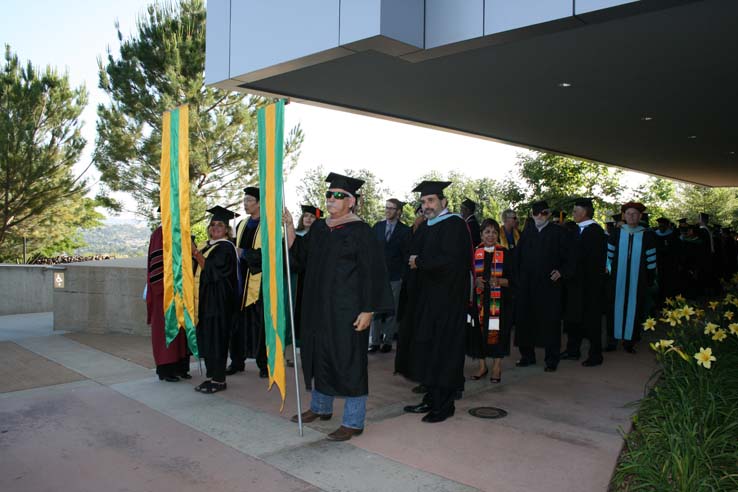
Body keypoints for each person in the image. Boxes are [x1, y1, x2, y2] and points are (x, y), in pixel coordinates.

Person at [285, 172, 394, 441]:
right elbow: (300, 256)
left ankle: (354, 421)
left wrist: (368, 309)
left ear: (351, 201)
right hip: (318, 308)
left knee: (348, 361)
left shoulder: (361, 232)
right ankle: (321, 408)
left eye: (339, 196)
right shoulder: (321, 228)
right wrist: (288, 226)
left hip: (347, 310)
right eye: (329, 195)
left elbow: (373, 273)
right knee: (319, 354)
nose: (332, 199)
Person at [402, 181, 472, 423]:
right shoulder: (426, 226)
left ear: (444, 202)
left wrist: (419, 262)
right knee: (428, 349)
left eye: (431, 200)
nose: (426, 205)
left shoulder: (455, 225)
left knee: (444, 351)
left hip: (447, 303)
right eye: (423, 202)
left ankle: (445, 405)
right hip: (427, 302)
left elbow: (451, 261)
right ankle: (430, 398)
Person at [514, 200, 574, 372]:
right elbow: (518, 257)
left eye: (543, 213)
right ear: (532, 215)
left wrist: (561, 272)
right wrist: (517, 279)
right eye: (536, 213)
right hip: (527, 286)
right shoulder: (528, 232)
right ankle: (527, 355)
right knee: (526, 320)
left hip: (549, 286)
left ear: (548, 214)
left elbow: (570, 258)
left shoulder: (558, 233)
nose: (539, 216)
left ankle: (551, 359)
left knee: (550, 322)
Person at [193, 206, 240, 394]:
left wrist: (196, 254)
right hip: (208, 301)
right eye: (212, 225)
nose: (215, 228)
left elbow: (212, 271)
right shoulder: (210, 245)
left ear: (227, 230)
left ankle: (219, 380)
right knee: (209, 339)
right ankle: (212, 377)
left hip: (220, 302)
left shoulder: (226, 248)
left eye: (220, 225)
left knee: (217, 339)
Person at [560, 198, 607, 367]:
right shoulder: (576, 230)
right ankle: (573, 350)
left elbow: (593, 261)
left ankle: (596, 355)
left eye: (575, 211)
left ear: (584, 212)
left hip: (589, 285)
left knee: (591, 320)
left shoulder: (595, 232)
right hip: (574, 285)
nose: (573, 214)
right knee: (573, 318)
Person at [228, 186, 269, 378]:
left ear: (259, 203)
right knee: (237, 322)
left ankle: (264, 364)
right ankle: (237, 361)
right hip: (240, 280)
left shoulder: (269, 225)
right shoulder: (242, 224)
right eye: (244, 200)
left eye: (249, 200)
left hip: (259, 283)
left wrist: (244, 253)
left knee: (260, 323)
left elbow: (269, 255)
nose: (245, 204)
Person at [607, 202, 657, 353]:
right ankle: (612, 341)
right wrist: (608, 275)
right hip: (616, 279)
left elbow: (651, 259)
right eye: (628, 214)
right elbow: (608, 256)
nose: (631, 216)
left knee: (635, 308)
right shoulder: (616, 233)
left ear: (640, 216)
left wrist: (649, 278)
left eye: (634, 214)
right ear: (624, 216)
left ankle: (630, 342)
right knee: (613, 308)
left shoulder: (647, 235)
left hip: (638, 279)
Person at [467, 219, 512, 383]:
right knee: (479, 333)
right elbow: (467, 277)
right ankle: (482, 366)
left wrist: (500, 282)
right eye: (487, 232)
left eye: (494, 232)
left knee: (497, 334)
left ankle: (496, 367)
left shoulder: (505, 253)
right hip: (479, 302)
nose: (491, 235)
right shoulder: (474, 253)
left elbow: (515, 279)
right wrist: (475, 282)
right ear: (481, 234)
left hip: (500, 303)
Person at [145, 221, 190, 382]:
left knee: (181, 330)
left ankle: (180, 367)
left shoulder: (181, 230)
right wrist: (166, 288)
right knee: (166, 330)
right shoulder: (160, 233)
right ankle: (166, 370)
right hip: (165, 291)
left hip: (181, 290)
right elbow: (157, 265)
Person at [369, 198, 411, 353]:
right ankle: (374, 341)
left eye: (391, 208)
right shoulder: (377, 227)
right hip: (377, 276)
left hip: (395, 276)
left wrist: (402, 276)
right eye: (386, 207)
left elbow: (406, 255)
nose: (387, 210)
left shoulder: (405, 231)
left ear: (398, 211)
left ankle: (387, 341)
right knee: (375, 309)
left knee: (392, 309)